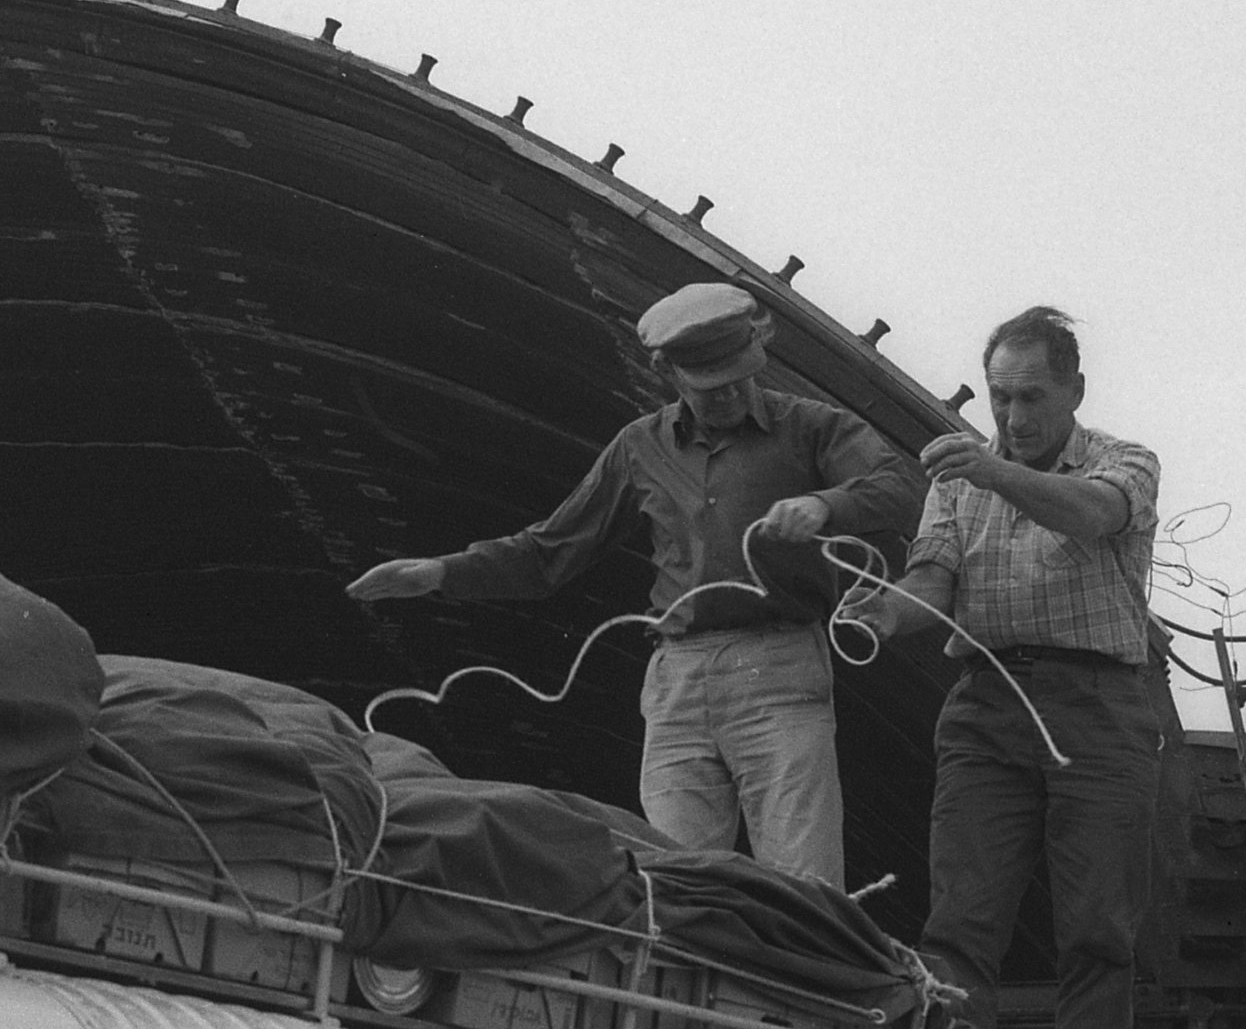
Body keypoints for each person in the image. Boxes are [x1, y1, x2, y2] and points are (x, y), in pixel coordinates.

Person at [348, 279, 917, 886]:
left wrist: (826, 505)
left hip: (778, 669)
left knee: (804, 879)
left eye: (738, 376)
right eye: (708, 383)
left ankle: (809, 974)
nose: (727, 393)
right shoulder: (638, 448)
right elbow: (552, 549)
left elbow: (898, 487)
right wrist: (440, 572)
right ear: (670, 373)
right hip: (676, 680)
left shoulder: (813, 427)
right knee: (668, 880)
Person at [861, 304, 1164, 1029]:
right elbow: (932, 583)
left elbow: (1089, 516)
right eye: (999, 397)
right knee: (961, 922)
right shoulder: (956, 481)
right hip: (988, 705)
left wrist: (988, 468)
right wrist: (877, 616)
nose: (1014, 416)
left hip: (1099, 707)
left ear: (1075, 390)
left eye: (1031, 397)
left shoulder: (1124, 461)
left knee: (1099, 933)